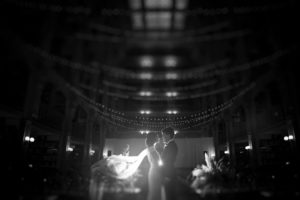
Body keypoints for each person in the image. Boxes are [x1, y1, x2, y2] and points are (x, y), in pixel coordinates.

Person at [161, 127, 178, 200]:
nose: (162, 137)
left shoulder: (171, 146)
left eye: (163, 135)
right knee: (168, 194)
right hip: (168, 173)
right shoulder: (170, 145)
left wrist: (167, 175)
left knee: (170, 195)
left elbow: (168, 162)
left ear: (168, 135)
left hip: (169, 174)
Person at [145, 132, 164, 200]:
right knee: (155, 193)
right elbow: (157, 161)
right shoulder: (152, 149)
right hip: (155, 172)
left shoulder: (151, 148)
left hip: (154, 171)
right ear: (153, 138)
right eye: (156, 136)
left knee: (155, 192)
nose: (158, 138)